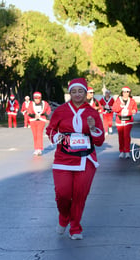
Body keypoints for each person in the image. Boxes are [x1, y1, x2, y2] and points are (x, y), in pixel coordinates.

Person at [46, 78, 105, 240]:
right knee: (62, 194)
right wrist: (57, 136)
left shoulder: (93, 113)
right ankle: (64, 216)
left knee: (80, 196)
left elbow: (99, 141)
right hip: (63, 159)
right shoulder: (61, 111)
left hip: (86, 160)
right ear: (70, 93)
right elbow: (50, 129)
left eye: (81, 91)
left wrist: (93, 128)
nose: (77, 94)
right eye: (74, 91)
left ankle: (75, 227)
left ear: (86, 93)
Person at [112, 86, 138, 159]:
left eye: (127, 92)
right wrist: (120, 106)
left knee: (126, 135)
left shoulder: (132, 100)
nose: (126, 93)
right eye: (124, 92)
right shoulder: (118, 100)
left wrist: (134, 111)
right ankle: (121, 151)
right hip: (119, 121)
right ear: (122, 92)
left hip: (128, 120)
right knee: (121, 136)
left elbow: (135, 108)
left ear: (129, 93)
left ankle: (127, 151)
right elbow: (114, 109)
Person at [27, 92, 51, 156]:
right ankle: (36, 149)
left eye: (38, 98)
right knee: (35, 135)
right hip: (33, 121)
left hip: (41, 120)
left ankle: (39, 149)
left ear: (40, 98)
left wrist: (48, 118)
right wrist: (34, 116)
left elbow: (48, 111)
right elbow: (28, 112)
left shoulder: (44, 103)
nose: (37, 100)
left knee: (39, 134)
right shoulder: (31, 104)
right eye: (35, 98)